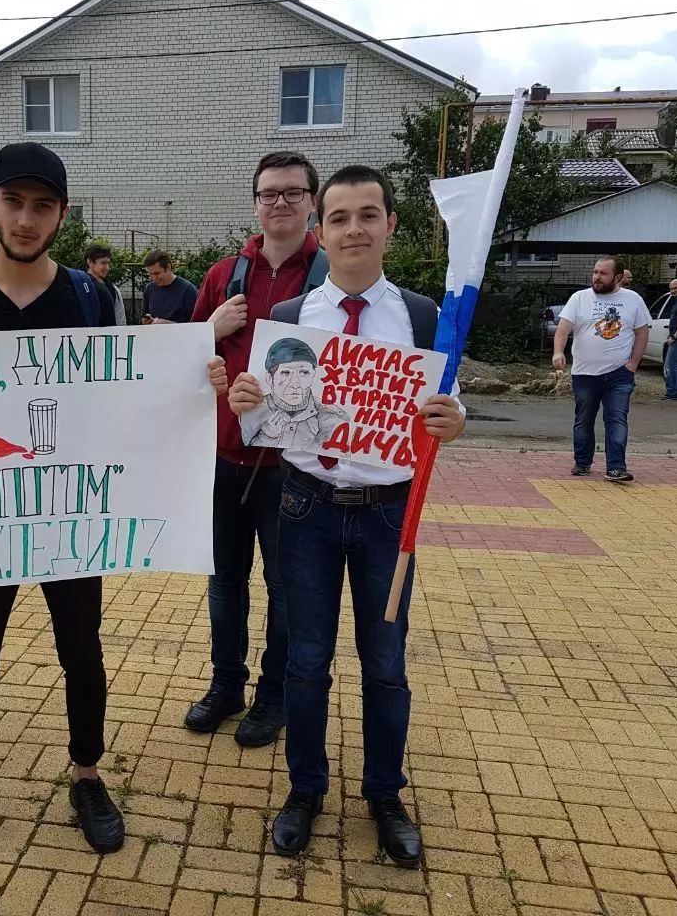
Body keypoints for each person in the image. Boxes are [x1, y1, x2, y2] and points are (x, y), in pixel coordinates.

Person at [0, 141, 225, 877]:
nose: (25, 219)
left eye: (42, 205)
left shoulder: (92, 297)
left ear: (62, 214)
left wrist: (191, 379)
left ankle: (87, 776)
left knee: (82, 652)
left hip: (70, 516)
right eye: (13, 202)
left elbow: (125, 396)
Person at [227, 165, 465, 865]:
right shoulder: (294, 319)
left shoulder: (424, 317)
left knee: (385, 664)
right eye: (339, 218)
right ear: (320, 230)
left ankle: (385, 794)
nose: (354, 229)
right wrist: (248, 405)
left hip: (391, 516)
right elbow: (267, 420)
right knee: (306, 661)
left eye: (368, 215)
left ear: (391, 224)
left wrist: (455, 419)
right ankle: (305, 789)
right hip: (306, 508)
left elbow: (446, 405)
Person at [185, 151, 325, 748]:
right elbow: (184, 366)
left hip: (294, 466)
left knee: (286, 589)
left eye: (293, 193)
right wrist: (208, 336)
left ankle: (274, 695)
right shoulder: (223, 276)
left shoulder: (329, 279)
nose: (281, 203)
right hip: (224, 459)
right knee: (224, 582)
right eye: (270, 193)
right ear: (255, 203)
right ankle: (226, 684)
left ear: (312, 201)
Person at [553, 256, 651, 482]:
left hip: (619, 374)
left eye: (603, 274)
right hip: (585, 373)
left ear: (617, 277)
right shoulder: (579, 298)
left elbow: (642, 333)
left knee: (617, 419)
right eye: (595, 272)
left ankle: (616, 467)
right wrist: (558, 352)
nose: (597, 277)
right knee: (584, 419)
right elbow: (563, 328)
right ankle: (582, 462)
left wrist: (633, 364)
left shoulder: (632, 300)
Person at [141, 250, 197, 323]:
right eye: (150, 274)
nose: (153, 278)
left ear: (168, 268)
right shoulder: (149, 289)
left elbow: (195, 325)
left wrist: (168, 325)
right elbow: (143, 317)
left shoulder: (188, 290)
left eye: (157, 273)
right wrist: (145, 321)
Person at [84, 243, 126, 325]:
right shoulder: (80, 286)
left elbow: (120, 319)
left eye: (108, 263)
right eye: (103, 263)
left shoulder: (112, 288)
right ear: (89, 262)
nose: (107, 267)